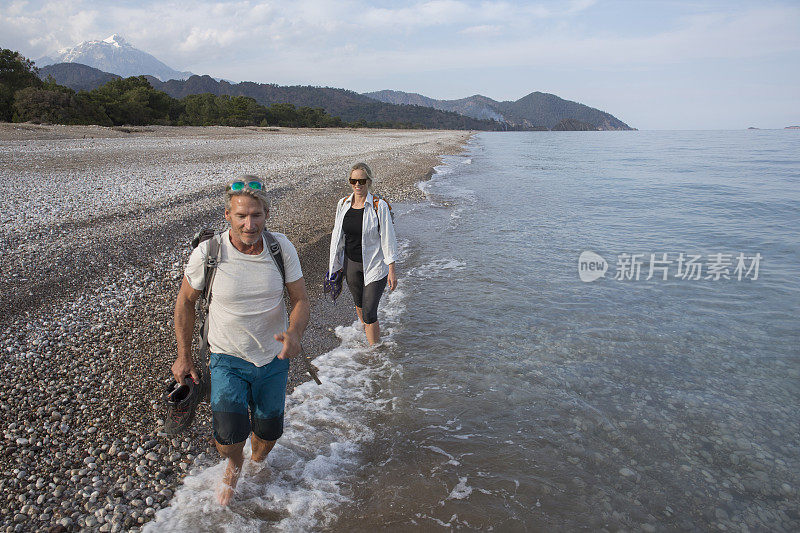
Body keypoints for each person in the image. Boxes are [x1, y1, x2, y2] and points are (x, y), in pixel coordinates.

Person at [171, 176, 309, 505]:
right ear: (227, 215)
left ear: (266, 214)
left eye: (257, 215)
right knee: (227, 437)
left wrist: (294, 333)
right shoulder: (210, 252)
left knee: (269, 431)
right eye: (241, 216)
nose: (250, 224)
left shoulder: (281, 248)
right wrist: (183, 356)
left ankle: (257, 463)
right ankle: (235, 464)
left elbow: (301, 300)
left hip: (273, 359)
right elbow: (185, 302)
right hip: (227, 358)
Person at [328, 163, 398, 345]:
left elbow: (388, 237)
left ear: (369, 181)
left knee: (369, 310)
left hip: (375, 265)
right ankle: (367, 331)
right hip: (351, 264)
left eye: (361, 181)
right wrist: (334, 265)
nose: (357, 185)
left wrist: (392, 269)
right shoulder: (343, 204)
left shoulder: (378, 206)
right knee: (358, 303)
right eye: (353, 181)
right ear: (350, 182)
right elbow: (338, 234)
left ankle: (375, 356)